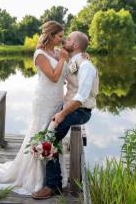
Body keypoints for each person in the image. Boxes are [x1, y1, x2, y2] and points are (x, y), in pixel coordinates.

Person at [0, 20, 69, 194]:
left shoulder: (56, 52)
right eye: (59, 36)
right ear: (50, 35)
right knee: (42, 132)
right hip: (44, 100)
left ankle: (53, 177)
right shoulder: (40, 54)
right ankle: (36, 177)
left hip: (57, 99)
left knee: (52, 134)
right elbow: (54, 77)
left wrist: (74, 59)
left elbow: (64, 75)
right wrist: (62, 59)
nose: (61, 40)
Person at [32, 31, 99, 200]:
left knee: (49, 139)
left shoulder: (86, 66)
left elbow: (81, 98)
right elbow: (65, 75)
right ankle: (54, 182)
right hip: (71, 108)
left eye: (68, 39)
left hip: (80, 111)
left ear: (75, 45)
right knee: (49, 136)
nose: (64, 40)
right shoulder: (76, 61)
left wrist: (62, 114)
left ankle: (52, 185)